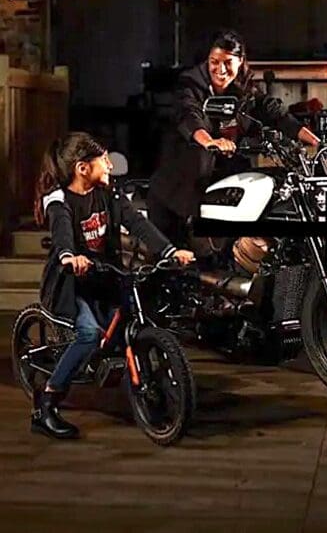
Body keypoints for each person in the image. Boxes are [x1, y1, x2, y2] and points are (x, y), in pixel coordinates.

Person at [32, 132, 194, 440]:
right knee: (89, 334)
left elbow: (137, 223)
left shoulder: (109, 192)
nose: (110, 164)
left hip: (105, 276)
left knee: (136, 314)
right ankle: (46, 404)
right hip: (71, 282)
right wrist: (70, 256)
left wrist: (170, 251)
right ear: (82, 168)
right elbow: (62, 231)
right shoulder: (59, 200)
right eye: (103, 159)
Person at [147, 29, 320, 247]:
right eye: (214, 62)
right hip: (182, 185)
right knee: (179, 263)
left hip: (224, 173)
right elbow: (189, 115)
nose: (220, 70)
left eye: (228, 62)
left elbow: (271, 110)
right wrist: (210, 141)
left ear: (240, 62)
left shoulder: (244, 87)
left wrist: (312, 139)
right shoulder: (191, 83)